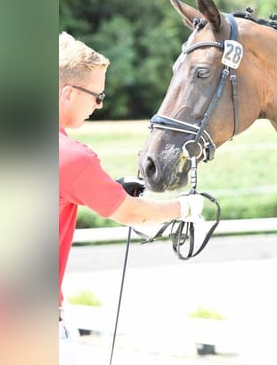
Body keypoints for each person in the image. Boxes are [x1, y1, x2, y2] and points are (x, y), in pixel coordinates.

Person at [59, 31, 203, 360]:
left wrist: (113, 189)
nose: (99, 104)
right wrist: (185, 208)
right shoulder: (71, 157)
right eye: (96, 96)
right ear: (68, 94)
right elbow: (131, 213)